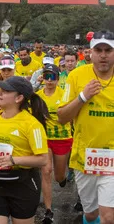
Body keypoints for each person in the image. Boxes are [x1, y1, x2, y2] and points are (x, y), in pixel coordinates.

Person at [0, 76, 49, 224]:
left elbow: (43, 159)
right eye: (0, 89)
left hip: (23, 184)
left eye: (5, 91)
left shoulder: (32, 124)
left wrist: (13, 160)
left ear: (19, 98)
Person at [58, 31, 114, 224]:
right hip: (85, 159)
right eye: (99, 50)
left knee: (108, 217)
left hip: (112, 159)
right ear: (90, 52)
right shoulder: (76, 76)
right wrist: (83, 97)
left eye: (108, 50)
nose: (104, 55)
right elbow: (62, 117)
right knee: (91, 214)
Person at [37, 64, 73, 224]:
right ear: (43, 78)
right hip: (44, 139)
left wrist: (56, 118)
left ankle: (63, 178)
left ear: (58, 79)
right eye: (46, 77)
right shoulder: (37, 96)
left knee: (58, 176)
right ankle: (48, 211)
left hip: (62, 138)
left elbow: (70, 117)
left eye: (52, 77)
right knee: (46, 171)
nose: (49, 80)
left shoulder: (65, 95)